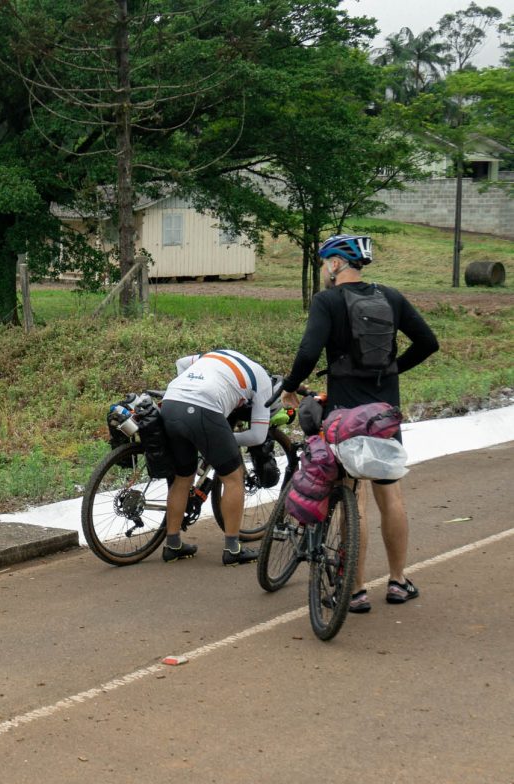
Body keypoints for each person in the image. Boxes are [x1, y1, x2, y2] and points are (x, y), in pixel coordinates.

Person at [279, 233, 439, 612]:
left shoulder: (327, 301)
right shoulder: (392, 297)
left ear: (335, 264)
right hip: (384, 412)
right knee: (390, 494)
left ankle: (356, 589)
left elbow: (307, 351)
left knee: (354, 496)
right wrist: (394, 368)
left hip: (344, 413)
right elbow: (428, 342)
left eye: (324, 263)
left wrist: (289, 387)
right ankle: (399, 581)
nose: (323, 269)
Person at [159, 350, 281, 565]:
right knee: (233, 479)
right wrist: (222, 439)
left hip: (171, 401)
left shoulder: (218, 355)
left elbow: (181, 361)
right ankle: (233, 549)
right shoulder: (262, 380)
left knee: (182, 477)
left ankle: (173, 544)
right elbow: (257, 436)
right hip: (203, 409)